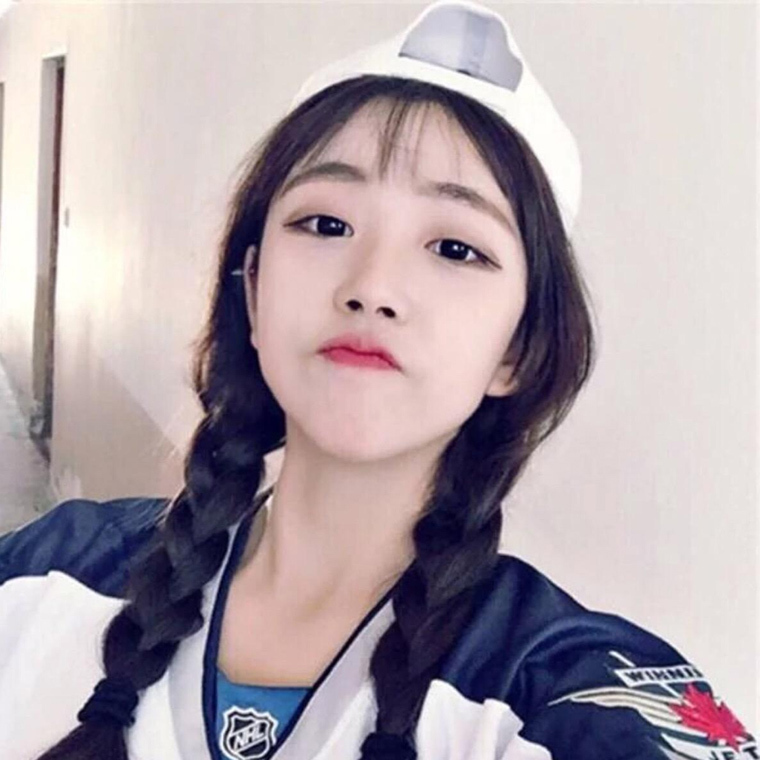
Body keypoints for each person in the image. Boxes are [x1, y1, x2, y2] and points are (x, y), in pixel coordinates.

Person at [0, 1, 755, 758]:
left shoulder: (554, 688)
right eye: (326, 225)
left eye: (455, 248)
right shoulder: (47, 573)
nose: (372, 287)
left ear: (519, 348)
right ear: (253, 291)